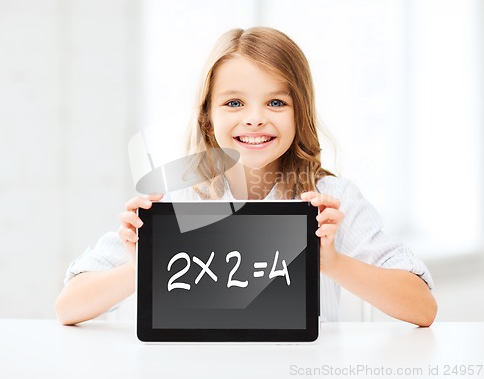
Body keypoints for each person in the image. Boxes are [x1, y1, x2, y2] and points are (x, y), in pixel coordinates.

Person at [55, 27, 437, 327]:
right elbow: (69, 306)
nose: (254, 118)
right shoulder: (173, 198)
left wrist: (333, 263)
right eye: (234, 102)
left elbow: (423, 307)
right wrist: (144, 265)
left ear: (299, 112)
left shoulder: (329, 198)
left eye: (275, 102)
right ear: (208, 116)